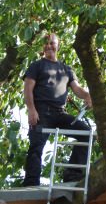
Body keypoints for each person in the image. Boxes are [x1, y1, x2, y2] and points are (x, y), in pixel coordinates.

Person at [22, 33, 93, 187]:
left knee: (87, 134)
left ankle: (72, 173)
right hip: (41, 113)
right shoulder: (37, 66)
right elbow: (28, 88)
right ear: (42, 46)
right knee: (36, 146)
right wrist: (31, 109)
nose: (49, 46)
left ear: (58, 44)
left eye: (52, 43)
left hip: (60, 113)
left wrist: (88, 95)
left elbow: (77, 89)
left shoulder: (66, 70)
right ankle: (31, 183)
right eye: (46, 43)